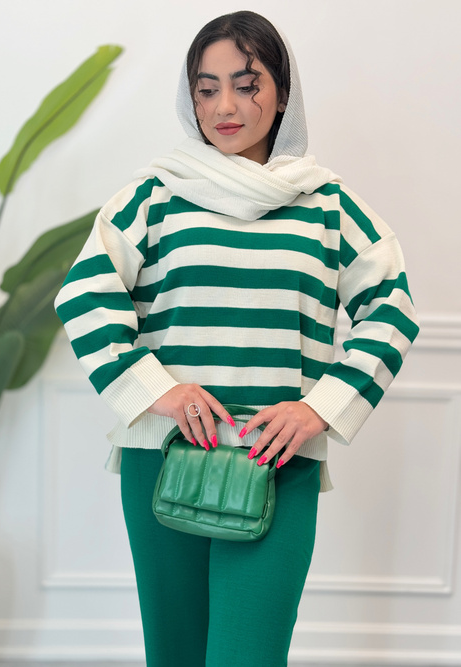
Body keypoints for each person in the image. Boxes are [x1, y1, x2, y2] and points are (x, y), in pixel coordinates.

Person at [55, 10, 419, 667]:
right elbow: (84, 294)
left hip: (275, 463)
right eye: (207, 88)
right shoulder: (153, 197)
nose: (225, 106)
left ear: (282, 94)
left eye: (247, 85)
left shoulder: (329, 205)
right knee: (174, 654)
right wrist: (158, 392)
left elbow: (391, 310)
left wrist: (319, 409)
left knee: (247, 654)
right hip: (163, 456)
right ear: (190, 98)